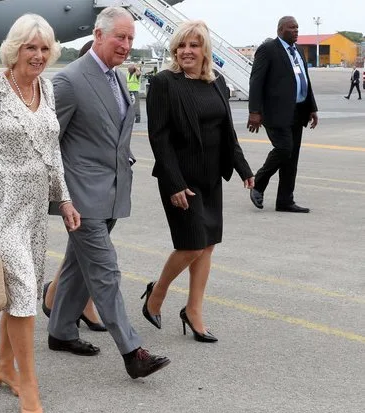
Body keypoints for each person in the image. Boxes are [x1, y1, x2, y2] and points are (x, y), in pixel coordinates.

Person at [0, 14, 79, 413]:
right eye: (31, 48)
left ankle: (3, 366)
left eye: (45, 48)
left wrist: (64, 199)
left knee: (19, 294)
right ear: (15, 49)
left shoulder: (45, 88)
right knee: (26, 287)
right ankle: (29, 383)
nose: (39, 56)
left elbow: (52, 150)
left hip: (32, 209)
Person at [47, 6, 170, 380]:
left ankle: (61, 331)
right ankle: (133, 351)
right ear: (98, 35)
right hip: (82, 196)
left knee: (76, 266)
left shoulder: (118, 79)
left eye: (131, 38)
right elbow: (49, 142)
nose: (126, 44)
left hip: (113, 191)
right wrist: (61, 194)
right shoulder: (68, 81)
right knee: (105, 271)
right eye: (120, 36)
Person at [145, 20, 254, 343]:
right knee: (191, 243)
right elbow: (159, 138)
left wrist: (245, 168)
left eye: (193, 45)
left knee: (207, 246)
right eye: (181, 45)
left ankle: (194, 310)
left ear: (205, 50)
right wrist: (175, 183)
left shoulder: (216, 82)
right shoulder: (165, 83)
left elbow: (227, 133)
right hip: (180, 179)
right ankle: (157, 294)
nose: (186, 51)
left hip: (210, 178)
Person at [42, 38, 106, 333]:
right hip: (78, 184)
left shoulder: (112, 84)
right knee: (100, 259)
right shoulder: (70, 84)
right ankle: (87, 310)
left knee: (80, 252)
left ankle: (55, 298)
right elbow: (51, 137)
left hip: (105, 184)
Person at [247, 16, 318, 213]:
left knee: (291, 158)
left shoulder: (298, 52)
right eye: (291, 27)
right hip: (275, 112)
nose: (296, 30)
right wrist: (254, 111)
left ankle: (285, 200)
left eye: (297, 27)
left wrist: (312, 108)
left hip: (298, 111)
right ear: (280, 30)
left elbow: (304, 81)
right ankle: (258, 184)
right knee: (284, 149)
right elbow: (256, 81)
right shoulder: (268, 49)